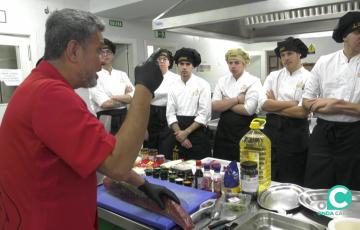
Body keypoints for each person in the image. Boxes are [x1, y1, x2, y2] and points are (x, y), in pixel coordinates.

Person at [0, 9, 179, 230]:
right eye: (98, 51)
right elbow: (118, 165)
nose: (101, 62)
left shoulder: (41, 87)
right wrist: (144, 89)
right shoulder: (50, 95)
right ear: (74, 51)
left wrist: (142, 184)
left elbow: (100, 153)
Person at [302, 12, 360, 190]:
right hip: (323, 135)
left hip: (354, 135)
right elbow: (305, 102)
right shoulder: (325, 62)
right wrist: (345, 107)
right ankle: (319, 217)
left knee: (349, 186)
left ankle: (344, 219)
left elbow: (313, 103)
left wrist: (330, 105)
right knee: (317, 182)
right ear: (344, 35)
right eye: (357, 32)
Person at [258, 37, 311, 185]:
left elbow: (302, 112)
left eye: (289, 54)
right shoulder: (274, 76)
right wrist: (291, 103)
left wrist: (275, 105)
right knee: (269, 174)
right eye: (282, 55)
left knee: (292, 177)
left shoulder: (309, 77)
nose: (285, 58)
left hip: (295, 134)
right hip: (272, 131)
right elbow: (263, 104)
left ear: (299, 54)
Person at [212, 48, 262, 162]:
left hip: (245, 130)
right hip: (223, 132)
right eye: (230, 63)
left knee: (246, 166)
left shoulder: (253, 81)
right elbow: (214, 107)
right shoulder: (222, 81)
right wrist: (237, 99)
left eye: (237, 62)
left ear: (244, 63)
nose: (233, 66)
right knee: (221, 165)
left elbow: (249, 109)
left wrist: (225, 102)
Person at [164, 47, 212, 160]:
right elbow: (170, 114)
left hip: (196, 131)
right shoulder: (172, 85)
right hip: (177, 132)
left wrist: (186, 133)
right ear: (177, 65)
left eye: (188, 64)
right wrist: (181, 136)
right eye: (181, 64)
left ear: (193, 66)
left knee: (198, 170)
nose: (184, 67)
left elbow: (204, 114)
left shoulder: (203, 84)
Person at [89, 38, 135, 134]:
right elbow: (105, 104)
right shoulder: (93, 76)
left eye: (108, 52)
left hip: (124, 116)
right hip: (105, 118)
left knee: (125, 146)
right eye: (102, 52)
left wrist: (114, 97)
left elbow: (134, 96)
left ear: (113, 54)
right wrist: (125, 98)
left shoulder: (122, 74)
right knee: (108, 147)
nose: (105, 55)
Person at [143, 49, 179, 158]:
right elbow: (143, 99)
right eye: (159, 59)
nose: (162, 61)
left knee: (166, 147)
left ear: (169, 62)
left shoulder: (176, 78)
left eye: (165, 59)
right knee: (150, 147)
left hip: (169, 113)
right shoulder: (149, 76)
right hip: (151, 113)